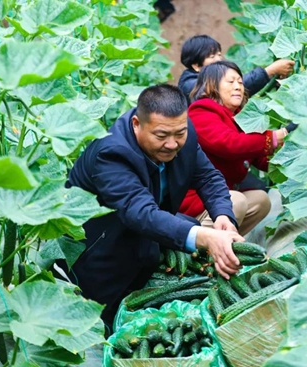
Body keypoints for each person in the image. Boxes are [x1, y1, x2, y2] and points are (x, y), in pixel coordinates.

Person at [59, 85, 244, 332]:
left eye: (180, 133)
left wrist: (222, 215)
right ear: (137, 124)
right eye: (161, 136)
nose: (172, 144)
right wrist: (206, 237)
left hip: (143, 242)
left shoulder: (183, 138)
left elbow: (208, 177)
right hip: (100, 256)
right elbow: (141, 213)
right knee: (99, 330)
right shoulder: (112, 152)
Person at [179, 61, 297, 236]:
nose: (238, 87)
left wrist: (294, 156)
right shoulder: (201, 111)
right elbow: (230, 144)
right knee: (236, 201)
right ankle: (202, 251)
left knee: (261, 200)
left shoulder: (237, 117)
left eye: (241, 83)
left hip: (218, 198)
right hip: (198, 200)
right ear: (212, 85)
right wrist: (276, 136)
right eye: (231, 82)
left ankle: (229, 245)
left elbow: (260, 159)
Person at [178, 35, 296, 103]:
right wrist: (269, 71)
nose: (219, 60)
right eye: (212, 56)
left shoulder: (199, 77)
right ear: (196, 66)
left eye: (219, 54)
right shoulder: (190, 85)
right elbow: (226, 89)